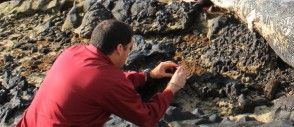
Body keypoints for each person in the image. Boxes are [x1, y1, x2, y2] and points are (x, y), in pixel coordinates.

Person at [17, 19, 189, 127]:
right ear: (119, 48)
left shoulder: (72, 52)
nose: (129, 53)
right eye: (130, 48)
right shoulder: (106, 80)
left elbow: (102, 83)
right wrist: (172, 88)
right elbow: (147, 118)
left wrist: (148, 75)